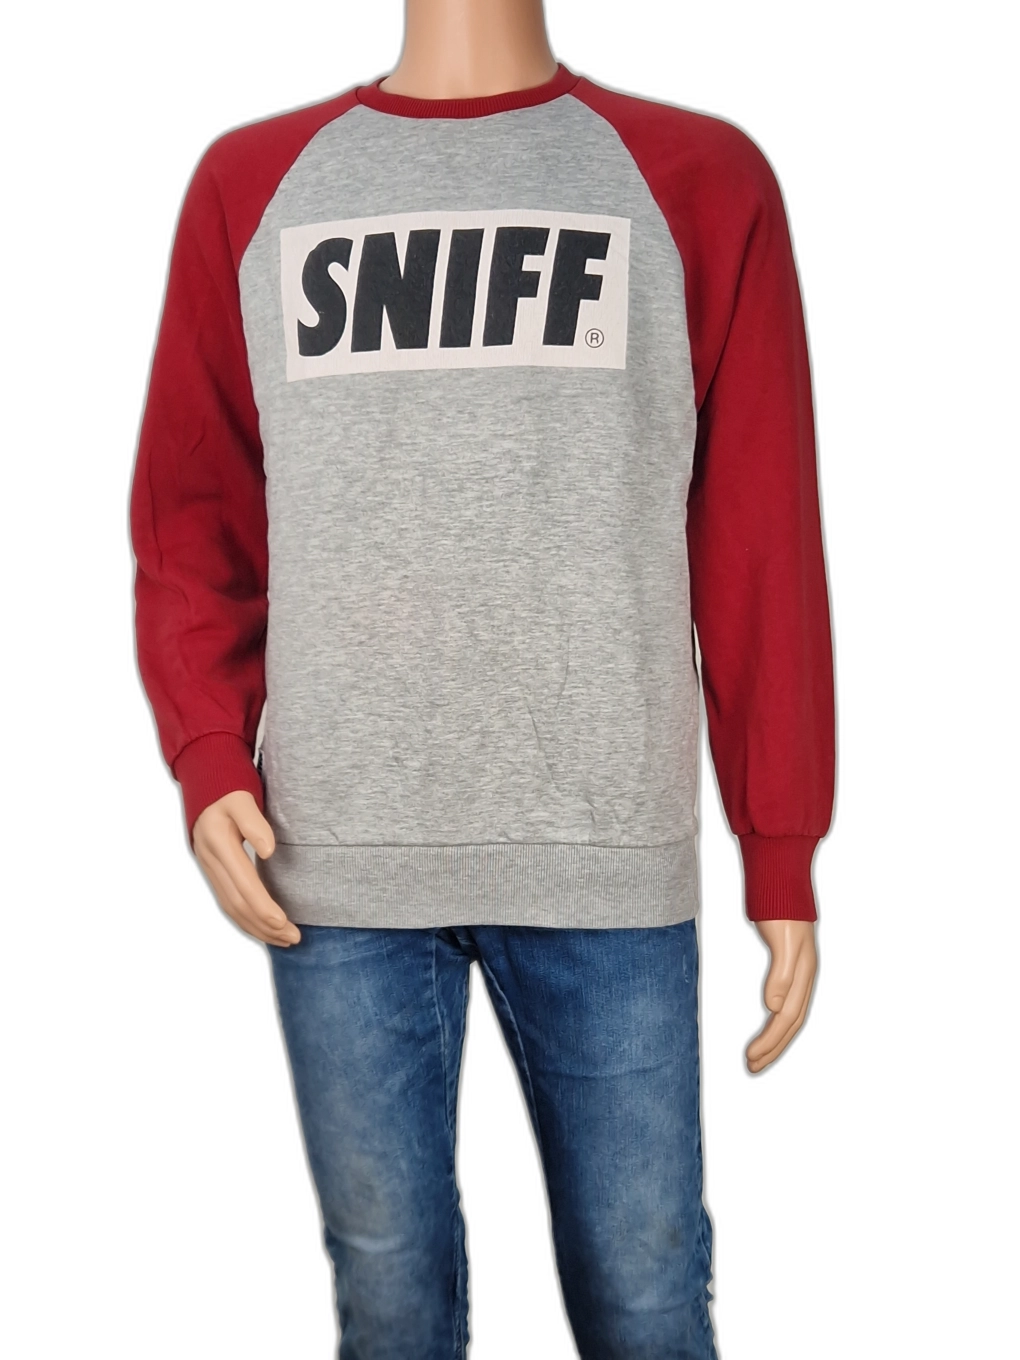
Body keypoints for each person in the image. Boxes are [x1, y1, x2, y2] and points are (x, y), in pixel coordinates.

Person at [129, 1, 835, 1354]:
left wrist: (782, 844)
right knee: (388, 1303)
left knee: (646, 1302)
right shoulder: (252, 187)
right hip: (333, 860)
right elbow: (193, 511)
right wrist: (208, 750)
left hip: (604, 850)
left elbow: (759, 539)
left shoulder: (699, 180)